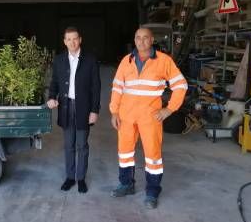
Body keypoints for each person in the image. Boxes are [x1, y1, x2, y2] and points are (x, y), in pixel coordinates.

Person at [109, 28, 188, 208]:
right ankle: (126, 184)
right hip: (126, 116)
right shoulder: (126, 61)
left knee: (153, 156)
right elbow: (117, 88)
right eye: (138, 37)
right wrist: (114, 111)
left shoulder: (163, 61)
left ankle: (152, 192)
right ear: (134, 40)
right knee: (125, 153)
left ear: (152, 39)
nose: (141, 41)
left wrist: (169, 109)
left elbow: (181, 85)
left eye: (145, 38)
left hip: (150, 117)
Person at [47, 26, 101, 193]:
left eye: (75, 38)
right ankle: (70, 177)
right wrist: (51, 97)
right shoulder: (59, 60)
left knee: (82, 145)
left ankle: (81, 178)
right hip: (65, 106)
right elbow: (54, 81)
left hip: (84, 108)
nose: (72, 42)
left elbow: (96, 87)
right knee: (68, 145)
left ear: (80, 40)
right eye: (68, 39)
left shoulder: (90, 60)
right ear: (65, 42)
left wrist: (94, 110)